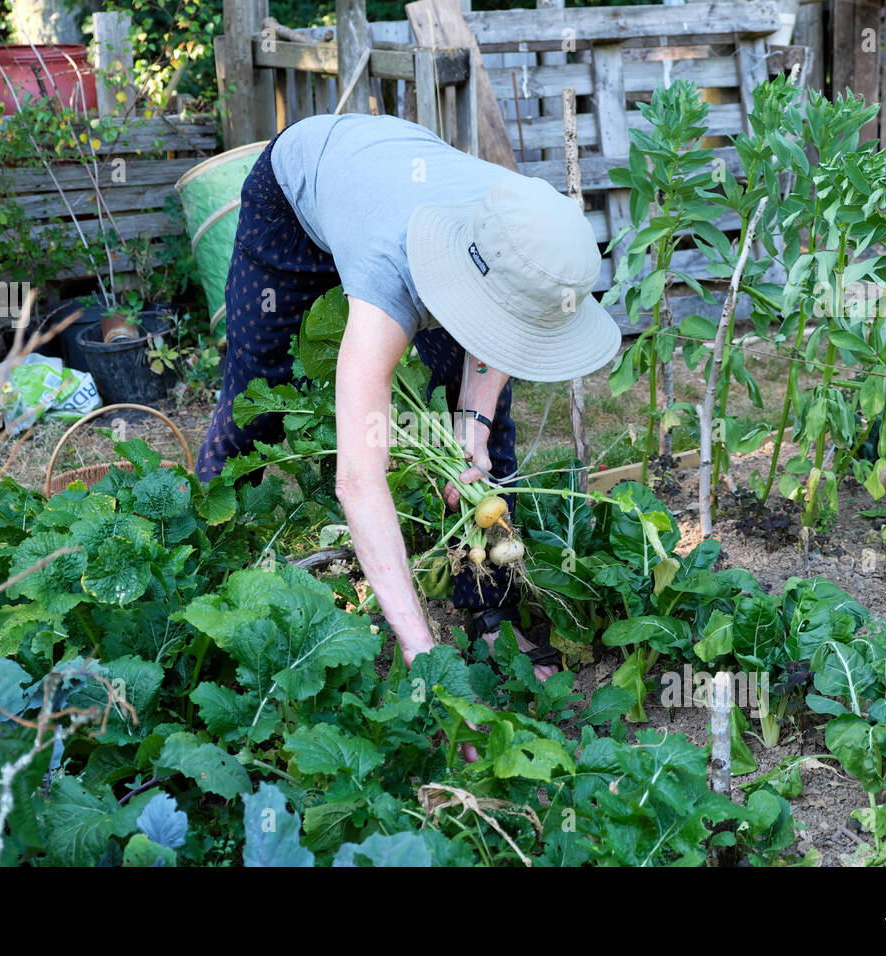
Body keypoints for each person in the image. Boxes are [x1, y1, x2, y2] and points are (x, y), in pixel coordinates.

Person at [196, 113, 619, 681]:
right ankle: (202, 562)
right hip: (296, 195)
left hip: (398, 187)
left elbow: (507, 329)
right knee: (259, 392)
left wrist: (475, 418)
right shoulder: (389, 269)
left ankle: (492, 610)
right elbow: (359, 480)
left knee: (486, 439)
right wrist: (423, 653)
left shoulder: (519, 232)